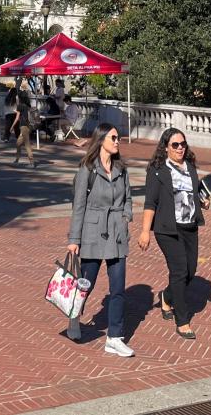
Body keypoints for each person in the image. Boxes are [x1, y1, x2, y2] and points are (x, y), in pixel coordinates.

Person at [66, 124, 134, 356]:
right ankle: (74, 316)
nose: (117, 141)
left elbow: (128, 197)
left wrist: (126, 217)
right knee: (87, 283)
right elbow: (78, 206)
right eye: (114, 137)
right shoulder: (88, 169)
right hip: (92, 232)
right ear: (101, 139)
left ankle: (114, 337)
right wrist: (74, 239)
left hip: (116, 234)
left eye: (118, 138)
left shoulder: (121, 169)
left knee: (118, 289)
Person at [138, 128, 209, 340]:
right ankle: (182, 320)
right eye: (175, 145)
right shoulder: (158, 170)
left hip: (190, 226)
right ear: (166, 147)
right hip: (167, 228)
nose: (180, 148)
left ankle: (166, 296)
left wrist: (203, 201)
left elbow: (195, 192)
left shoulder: (190, 167)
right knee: (179, 271)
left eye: (183, 144)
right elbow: (150, 202)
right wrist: (144, 232)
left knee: (190, 270)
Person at [12, 89, 35, 168]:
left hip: (24, 126)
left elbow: (17, 118)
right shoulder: (27, 105)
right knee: (18, 143)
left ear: (20, 97)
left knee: (27, 144)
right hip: (27, 126)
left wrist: (11, 127)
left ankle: (31, 162)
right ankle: (17, 160)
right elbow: (24, 114)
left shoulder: (20, 106)